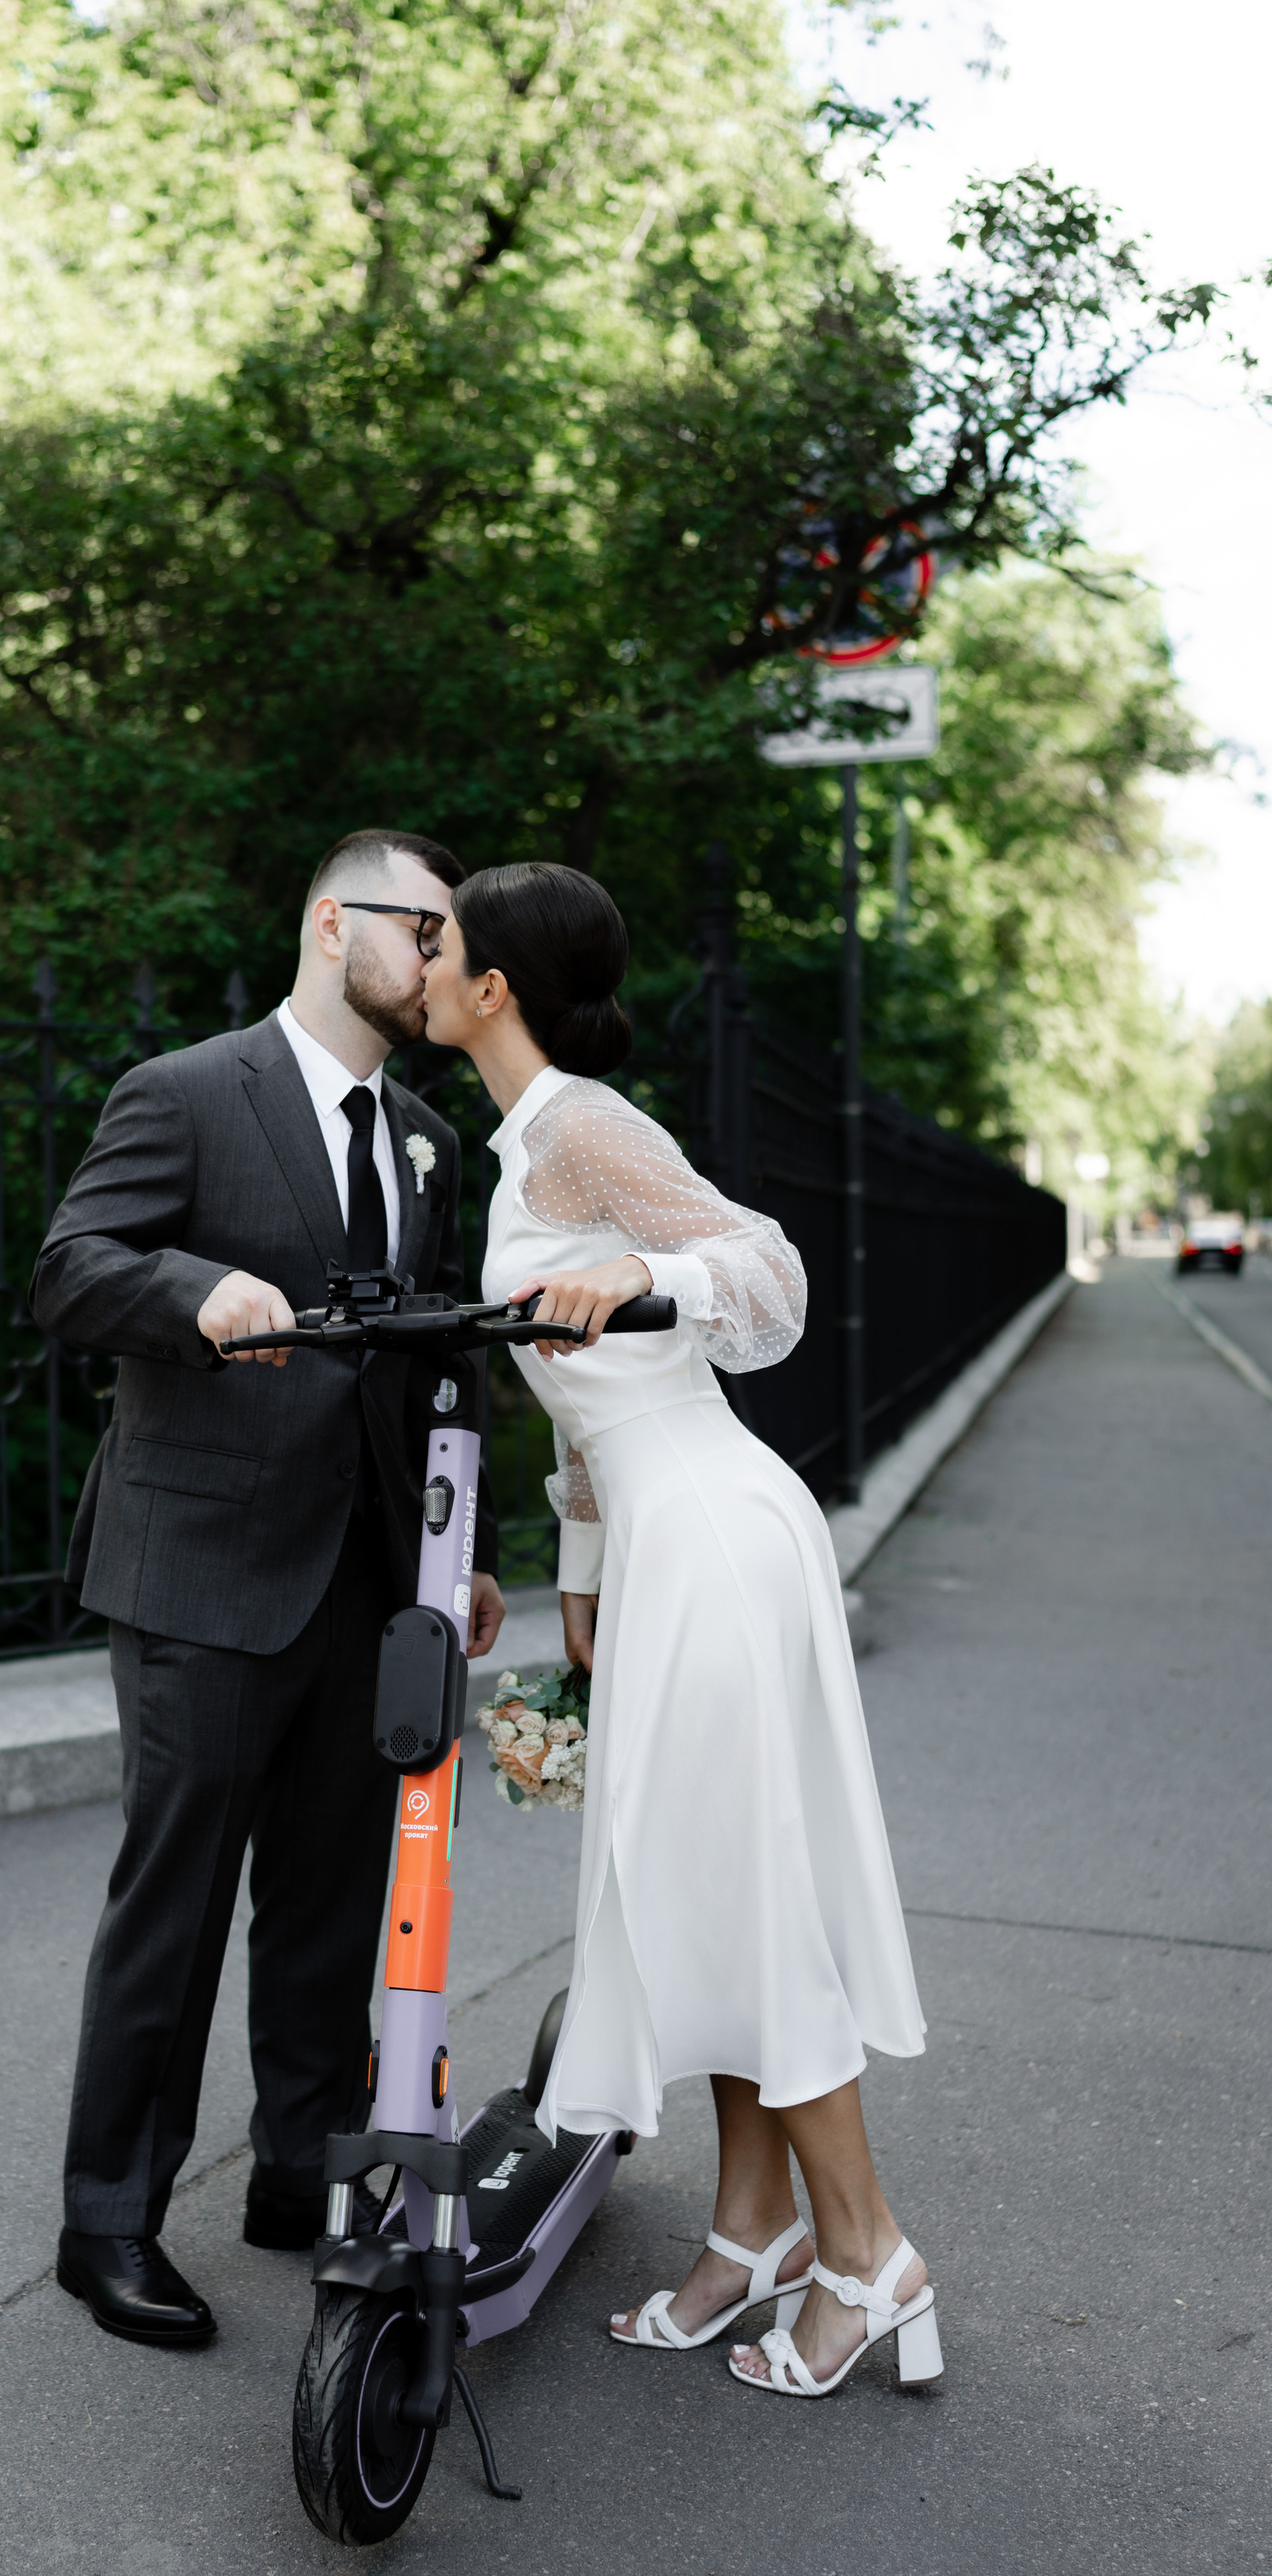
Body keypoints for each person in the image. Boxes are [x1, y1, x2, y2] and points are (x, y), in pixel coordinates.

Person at [421, 860, 939, 2403]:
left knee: (743, 1894)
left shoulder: (579, 1127)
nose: (422, 963)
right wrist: (581, 1566)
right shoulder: (519, 1152)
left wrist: (640, 1269)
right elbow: (580, 1400)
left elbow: (763, 1274)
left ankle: (868, 2259)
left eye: (437, 943)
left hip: (716, 1530)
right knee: (696, 1891)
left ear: (492, 984)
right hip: (650, 1543)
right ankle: (747, 2233)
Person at [30, 829, 505, 2349]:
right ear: (328, 924)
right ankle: (107, 2223)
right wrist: (190, 1294)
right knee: (172, 1910)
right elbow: (68, 1267)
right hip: (199, 1574)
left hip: (363, 1581)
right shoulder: (184, 1092)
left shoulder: (423, 1137)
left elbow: (431, 1352)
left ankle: (297, 2170)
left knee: (327, 1904)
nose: (437, 961)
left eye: (445, 940)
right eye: (421, 931)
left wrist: (461, 1543)